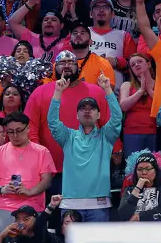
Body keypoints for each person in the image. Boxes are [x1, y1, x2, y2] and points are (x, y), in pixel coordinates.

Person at [48, 73, 123, 222]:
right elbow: (52, 122)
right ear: (77, 115)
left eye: (92, 108)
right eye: (83, 108)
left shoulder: (106, 136)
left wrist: (107, 89)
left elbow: (116, 118)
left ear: (99, 115)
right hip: (71, 204)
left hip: (99, 204)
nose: (87, 111)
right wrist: (58, 92)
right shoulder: (68, 137)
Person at [0, 113, 56, 236]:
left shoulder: (42, 151)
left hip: (33, 208)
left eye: (19, 131)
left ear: (28, 128)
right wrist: (1, 189)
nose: (15, 135)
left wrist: (30, 192)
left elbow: (47, 180)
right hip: (5, 207)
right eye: (11, 132)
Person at [118, 152, 161, 222]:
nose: (143, 172)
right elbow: (122, 214)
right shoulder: (129, 190)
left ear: (156, 170)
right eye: (139, 169)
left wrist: (140, 217)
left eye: (148, 169)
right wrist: (137, 188)